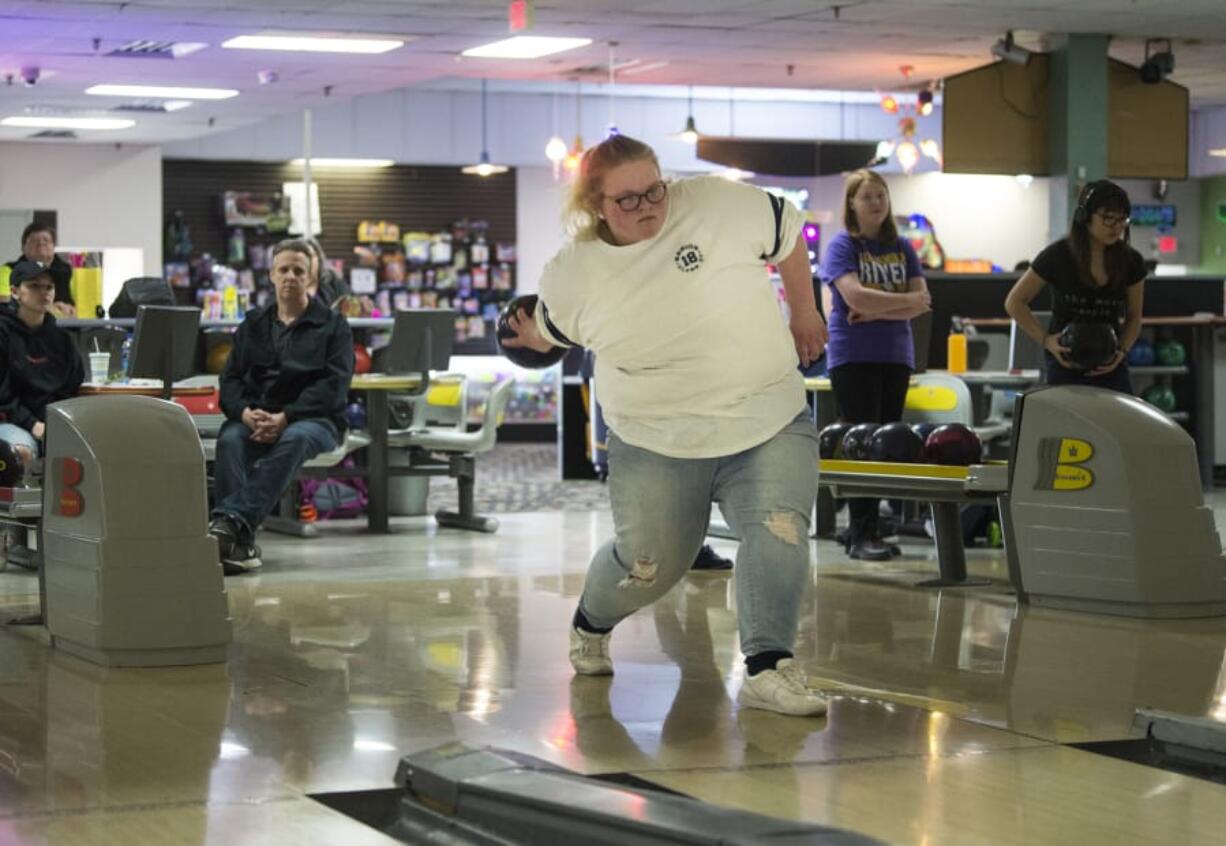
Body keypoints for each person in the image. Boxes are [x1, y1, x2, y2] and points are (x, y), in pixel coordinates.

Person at [502, 134, 830, 717]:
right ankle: (590, 623)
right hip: (656, 437)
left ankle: (768, 665)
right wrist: (528, 337)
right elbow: (546, 330)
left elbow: (788, 232)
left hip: (766, 414)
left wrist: (806, 312)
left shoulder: (715, 204)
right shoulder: (573, 275)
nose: (648, 205)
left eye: (654, 189)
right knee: (652, 565)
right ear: (595, 205)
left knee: (778, 531)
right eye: (626, 199)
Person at [210, 239, 354, 574]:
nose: (290, 276)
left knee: (294, 438)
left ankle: (228, 526)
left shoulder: (334, 328)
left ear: (311, 279)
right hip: (255, 417)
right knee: (230, 438)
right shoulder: (253, 326)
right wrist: (245, 412)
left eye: (298, 271)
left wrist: (287, 417)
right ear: (271, 276)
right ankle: (238, 544)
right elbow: (230, 381)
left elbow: (333, 388)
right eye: (283, 270)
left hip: (316, 421)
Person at [819, 169, 931, 561]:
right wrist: (897, 305)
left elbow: (924, 300)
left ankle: (864, 528)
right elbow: (855, 298)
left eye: (880, 195)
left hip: (896, 356)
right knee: (862, 443)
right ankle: (862, 531)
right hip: (854, 355)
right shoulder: (841, 247)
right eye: (867, 197)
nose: (876, 203)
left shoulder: (903, 247)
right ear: (851, 203)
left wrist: (874, 306)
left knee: (887, 446)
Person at [1005, 179, 1145, 394]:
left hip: (1109, 359)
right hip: (1065, 360)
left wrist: (1122, 352)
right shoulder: (1058, 255)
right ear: (1085, 216)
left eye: (1122, 219)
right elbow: (1014, 302)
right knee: (1068, 425)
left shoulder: (1131, 261)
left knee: (1117, 424)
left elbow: (1135, 316)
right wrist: (1045, 340)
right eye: (1108, 218)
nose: (1117, 227)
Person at [0, 260, 85, 470]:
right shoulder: (3, 333)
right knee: (21, 452)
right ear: (15, 291)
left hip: (53, 422)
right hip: (10, 421)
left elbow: (70, 388)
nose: (44, 292)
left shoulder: (62, 339)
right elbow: (2, 396)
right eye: (34, 286)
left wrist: (55, 424)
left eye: (49, 287)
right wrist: (33, 424)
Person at [4, 223, 75, 315]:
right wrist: (46, 308)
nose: (41, 243)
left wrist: (71, 309)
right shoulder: (8, 270)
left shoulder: (69, 271)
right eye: (34, 241)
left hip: (64, 325)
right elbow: (4, 304)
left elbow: (82, 302)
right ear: (23, 248)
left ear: (54, 247)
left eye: (46, 240)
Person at [304, 238, 351, 308]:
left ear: (319, 259)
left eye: (310, 256)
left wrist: (373, 313)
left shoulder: (333, 281)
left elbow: (352, 308)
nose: (306, 261)